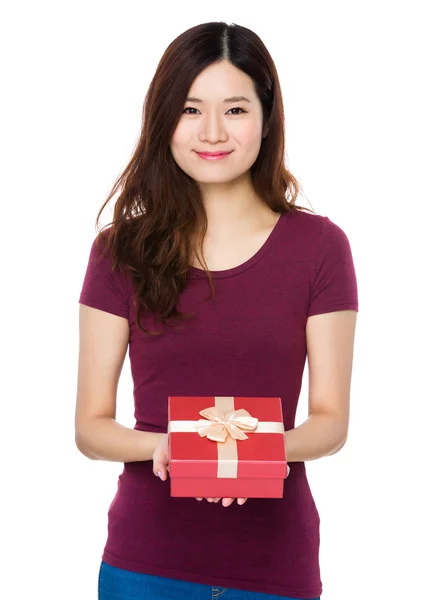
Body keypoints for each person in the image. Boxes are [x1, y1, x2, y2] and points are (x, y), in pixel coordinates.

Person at [76, 21, 358, 600]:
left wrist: (241, 453)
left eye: (234, 109)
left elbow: (330, 422)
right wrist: (167, 446)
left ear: (266, 117)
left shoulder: (320, 248)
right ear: (164, 120)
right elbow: (90, 427)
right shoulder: (119, 252)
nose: (211, 132)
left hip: (274, 567)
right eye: (189, 109)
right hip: (145, 565)